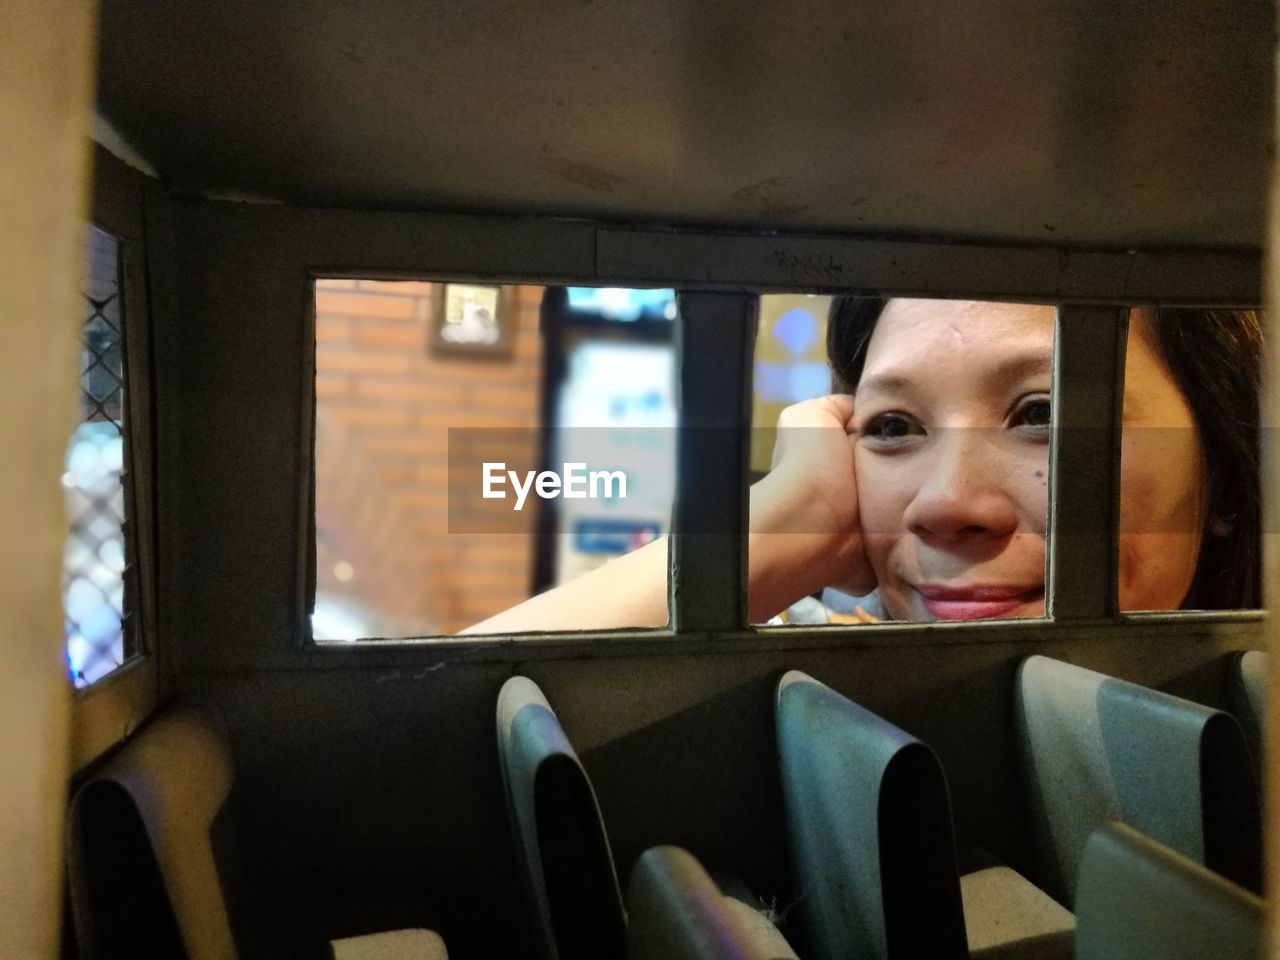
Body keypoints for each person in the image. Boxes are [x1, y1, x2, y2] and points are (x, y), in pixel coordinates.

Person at [461, 298, 1261, 633]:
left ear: (1224, 474)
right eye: (892, 426)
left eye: (1042, 415)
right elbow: (394, 752)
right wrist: (780, 528)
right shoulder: (815, 683)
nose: (945, 503)